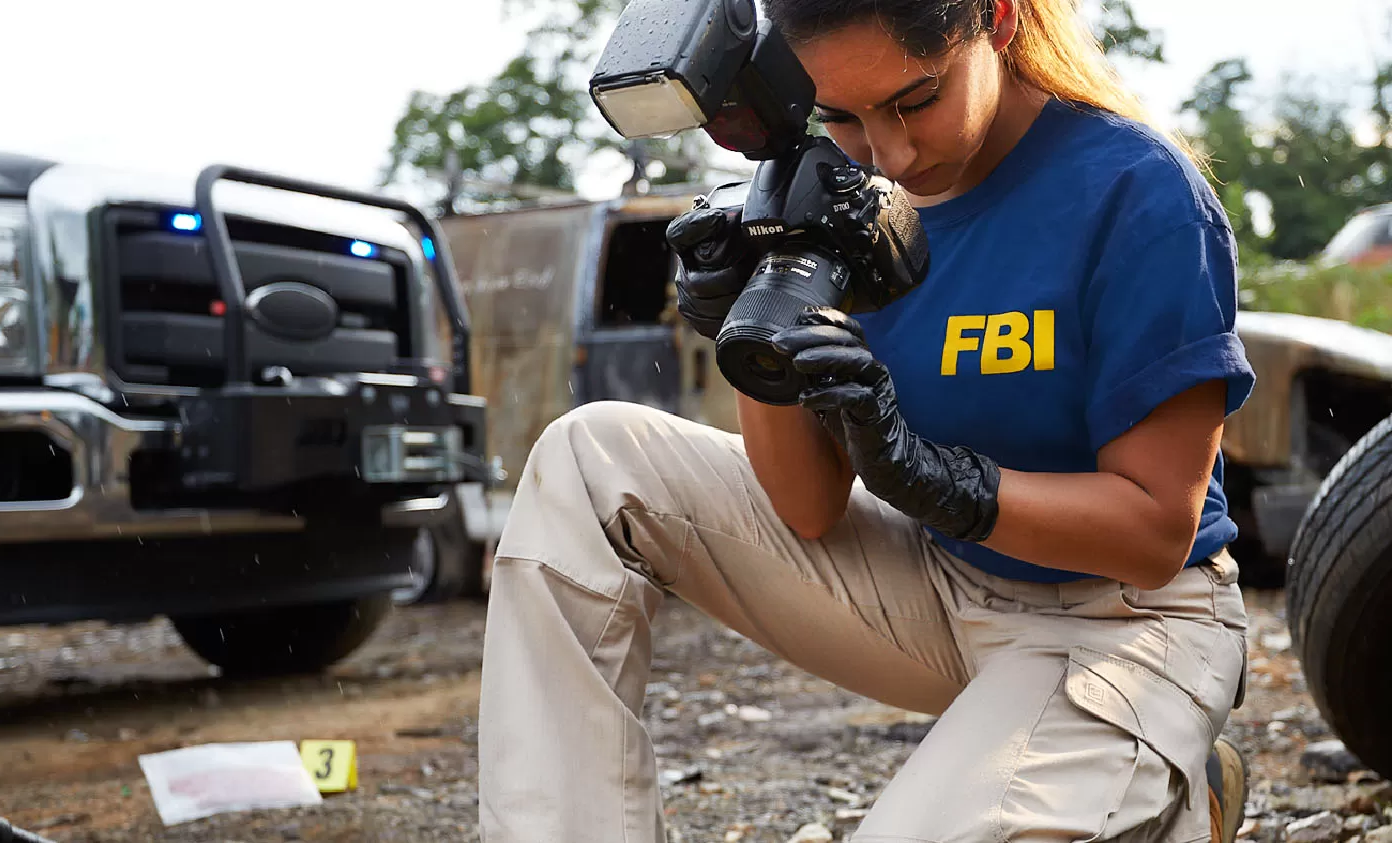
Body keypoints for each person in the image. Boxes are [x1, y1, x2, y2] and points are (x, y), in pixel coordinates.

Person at [475, 0, 1256, 839]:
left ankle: (1176, 788)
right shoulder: (850, 203)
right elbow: (807, 509)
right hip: (939, 588)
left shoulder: (1137, 192)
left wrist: (940, 480)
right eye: (840, 115)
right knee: (591, 459)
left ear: (996, 20)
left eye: (915, 100)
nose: (891, 152)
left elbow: (1155, 533)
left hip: (1123, 618)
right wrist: (756, 316)